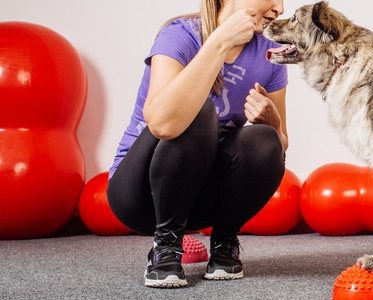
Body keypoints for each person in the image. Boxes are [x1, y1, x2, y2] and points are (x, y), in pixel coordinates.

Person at [107, 0, 288, 288]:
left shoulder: (268, 52)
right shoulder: (179, 35)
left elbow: (280, 145)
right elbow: (163, 123)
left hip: (201, 200)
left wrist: (273, 122)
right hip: (140, 194)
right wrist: (219, 42)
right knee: (199, 111)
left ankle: (224, 241)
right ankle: (165, 245)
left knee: (264, 138)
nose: (279, 8)